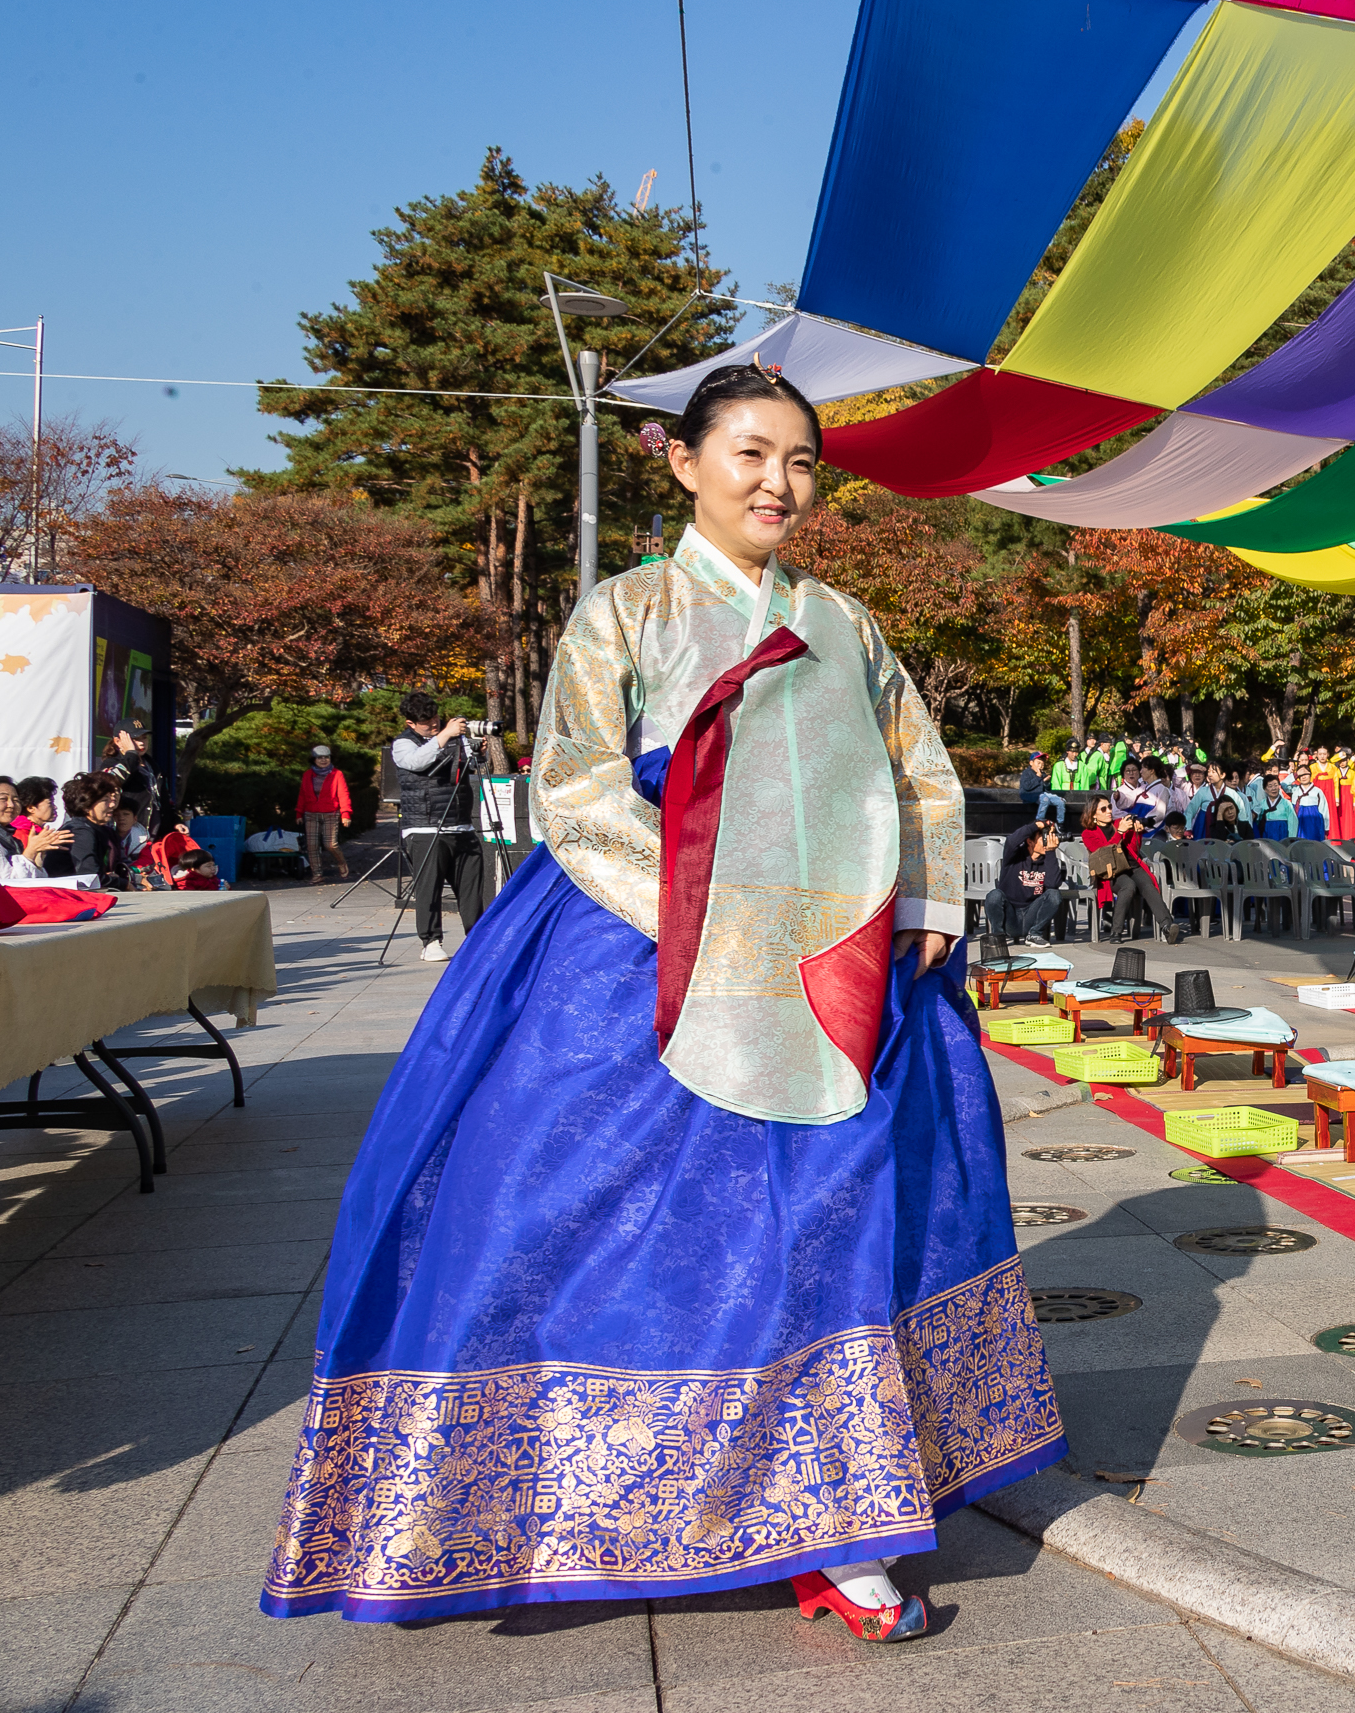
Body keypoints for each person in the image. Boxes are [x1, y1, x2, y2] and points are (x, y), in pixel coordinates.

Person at [261, 361, 1063, 1639]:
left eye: (801, 461)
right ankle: (526, 1497)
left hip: (832, 960)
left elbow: (919, 773)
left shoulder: (848, 624)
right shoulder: (624, 613)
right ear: (684, 463)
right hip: (645, 948)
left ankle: (840, 1519)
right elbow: (575, 786)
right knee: (546, 1203)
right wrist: (711, 917)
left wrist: (924, 904)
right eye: (750, 454)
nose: (779, 484)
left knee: (836, 1213)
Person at [389, 694, 494, 960]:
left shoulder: (453, 739)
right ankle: (431, 941)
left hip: (460, 824)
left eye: (436, 719)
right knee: (429, 887)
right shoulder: (403, 743)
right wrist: (446, 734)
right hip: (424, 828)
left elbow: (469, 768)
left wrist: (479, 754)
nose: (434, 725)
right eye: (426, 723)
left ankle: (476, 939)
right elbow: (417, 762)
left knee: (472, 888)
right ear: (411, 723)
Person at [1079, 793, 1184, 944]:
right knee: (1128, 886)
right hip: (1110, 871)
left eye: (1109, 807)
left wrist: (1137, 832)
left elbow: (1134, 848)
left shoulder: (1119, 823)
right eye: (1103, 809)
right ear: (1093, 814)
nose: (1109, 811)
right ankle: (1116, 932)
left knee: (1148, 885)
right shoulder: (1088, 834)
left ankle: (1167, 926)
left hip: (1132, 865)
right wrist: (1120, 832)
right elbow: (1105, 852)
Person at [986, 819, 1065, 944]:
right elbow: (1011, 841)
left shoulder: (1049, 859)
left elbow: (1053, 884)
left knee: (1054, 894)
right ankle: (998, 936)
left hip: (1031, 914)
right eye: (1044, 837)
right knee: (994, 895)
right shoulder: (1014, 856)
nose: (1048, 840)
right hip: (1010, 914)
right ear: (1029, 841)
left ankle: (1034, 935)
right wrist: (1035, 826)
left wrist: (1051, 852)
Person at [39, 774, 123, 887]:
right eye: (105, 800)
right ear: (86, 806)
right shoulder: (79, 831)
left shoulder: (95, 829)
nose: (112, 805)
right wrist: (124, 884)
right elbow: (90, 876)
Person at [298, 745, 354, 884]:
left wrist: (345, 813)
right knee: (312, 846)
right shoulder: (307, 775)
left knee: (330, 844)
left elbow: (343, 794)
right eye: (320, 757)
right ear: (314, 759)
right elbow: (303, 794)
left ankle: (341, 862)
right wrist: (299, 812)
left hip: (330, 813)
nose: (323, 760)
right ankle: (317, 874)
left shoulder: (337, 774)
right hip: (311, 813)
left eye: (326, 757)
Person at [0, 775, 53, 882]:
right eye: (3, 799)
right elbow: (7, 884)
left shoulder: (7, 836)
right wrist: (30, 853)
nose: (11, 805)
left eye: (15, 800)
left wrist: (37, 859)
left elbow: (35, 883)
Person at [1019, 749, 1065, 826]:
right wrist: (1038, 777)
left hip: (1041, 794)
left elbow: (1047, 790)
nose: (1040, 766)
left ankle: (1060, 823)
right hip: (1028, 794)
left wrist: (1046, 782)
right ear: (1031, 763)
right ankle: (1039, 820)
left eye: (1042, 764)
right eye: (1038, 763)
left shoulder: (1043, 774)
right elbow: (1027, 786)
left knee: (1060, 801)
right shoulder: (1026, 773)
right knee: (1045, 799)